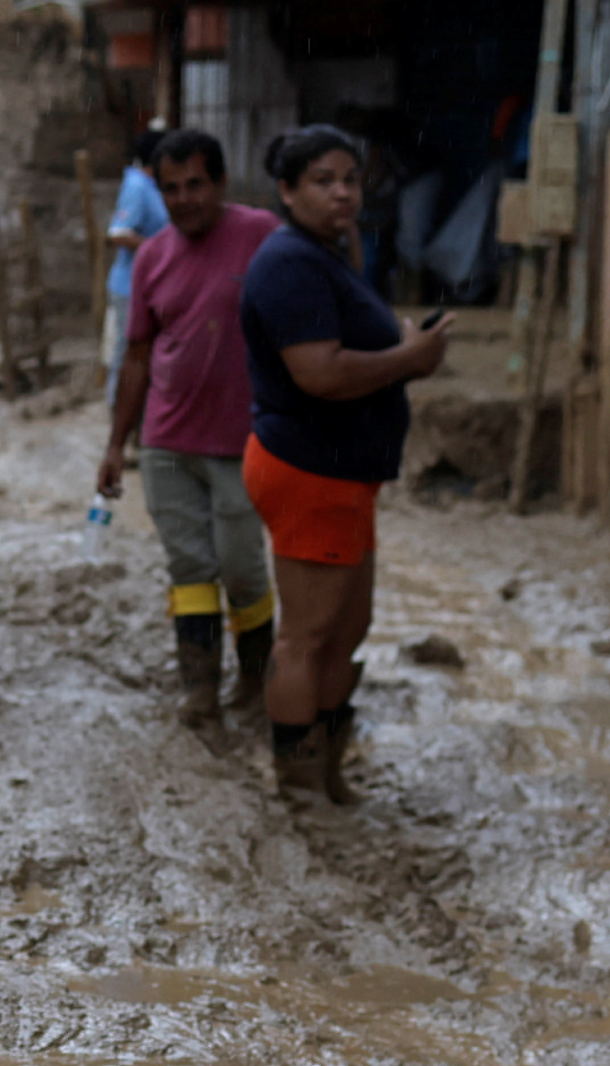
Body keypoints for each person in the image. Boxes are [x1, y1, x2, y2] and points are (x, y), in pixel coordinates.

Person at [240, 126, 452, 801]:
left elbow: (355, 338)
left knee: (346, 628)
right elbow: (320, 374)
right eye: (323, 181)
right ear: (287, 190)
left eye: (350, 179)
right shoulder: (289, 264)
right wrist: (410, 359)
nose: (341, 192)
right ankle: (300, 783)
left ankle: (327, 768)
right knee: (305, 637)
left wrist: (405, 340)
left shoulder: (325, 254)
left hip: (342, 472)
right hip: (310, 468)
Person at [96, 128, 279, 723]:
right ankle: (198, 686)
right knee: (189, 567)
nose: (183, 199)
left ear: (220, 183)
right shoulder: (151, 256)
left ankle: (255, 681)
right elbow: (139, 358)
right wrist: (115, 445)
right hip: (168, 441)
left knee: (242, 564)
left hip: (241, 442)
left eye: (195, 185)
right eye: (170, 188)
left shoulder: (261, 235)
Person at [105, 127, 169, 409]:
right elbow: (119, 233)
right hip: (130, 287)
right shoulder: (137, 187)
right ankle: (117, 412)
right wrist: (162, 250)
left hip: (152, 287)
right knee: (127, 354)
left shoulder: (154, 187)